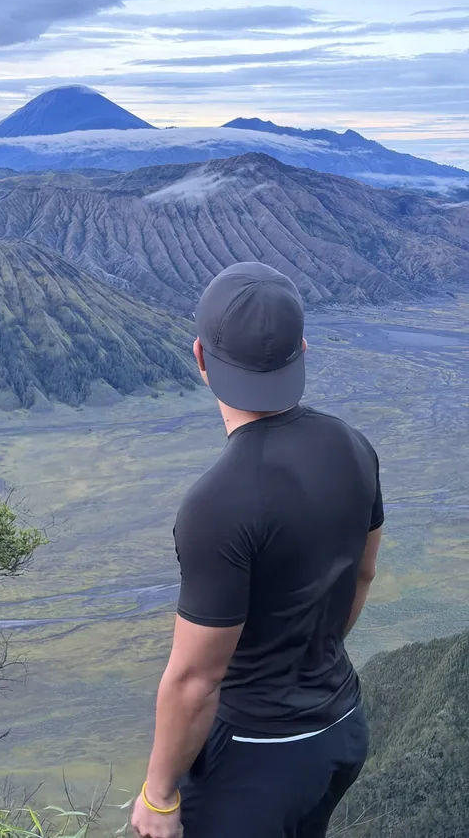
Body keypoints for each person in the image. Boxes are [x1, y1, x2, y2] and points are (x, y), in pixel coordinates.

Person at [131, 262, 384, 838]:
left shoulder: (218, 503)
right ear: (302, 349)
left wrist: (159, 795)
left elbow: (195, 680)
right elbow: (363, 575)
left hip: (255, 763)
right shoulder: (353, 445)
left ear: (200, 358)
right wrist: (305, 657)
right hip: (340, 729)